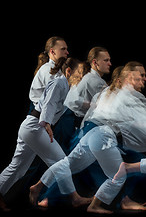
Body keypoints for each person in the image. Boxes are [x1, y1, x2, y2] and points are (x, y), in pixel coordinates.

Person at [29, 63, 146, 214]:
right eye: (137, 78)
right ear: (123, 80)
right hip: (103, 135)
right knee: (118, 176)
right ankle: (96, 205)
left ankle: (38, 186)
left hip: (90, 133)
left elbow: (145, 117)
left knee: (68, 164)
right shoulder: (125, 97)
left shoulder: (104, 94)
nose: (141, 81)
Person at [0, 57, 91, 211]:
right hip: (36, 126)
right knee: (61, 160)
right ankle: (73, 197)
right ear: (68, 71)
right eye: (80, 73)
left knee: (18, 168)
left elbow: (76, 104)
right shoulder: (59, 82)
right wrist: (47, 124)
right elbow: (49, 103)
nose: (81, 78)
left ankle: (12, 192)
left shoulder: (68, 87)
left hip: (30, 127)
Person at [29, 36, 69, 109]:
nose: (67, 52)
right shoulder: (47, 69)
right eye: (63, 49)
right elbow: (54, 96)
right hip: (40, 112)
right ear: (52, 51)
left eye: (66, 49)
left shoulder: (57, 69)